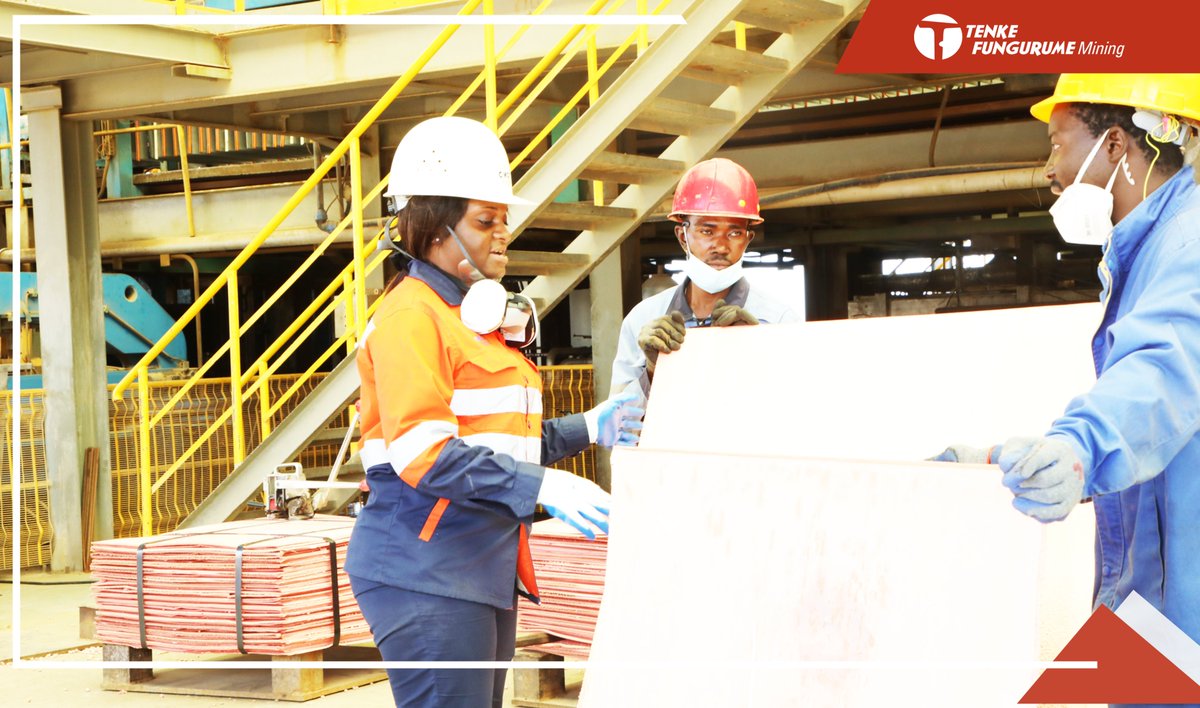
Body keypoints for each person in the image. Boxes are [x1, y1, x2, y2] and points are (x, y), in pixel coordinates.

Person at [344, 115, 644, 708]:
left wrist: (590, 427)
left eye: (505, 220)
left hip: (478, 564)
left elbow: (497, 439)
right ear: (431, 227)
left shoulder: (469, 321)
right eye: (485, 221)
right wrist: (543, 484)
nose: (500, 235)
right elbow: (424, 453)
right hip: (424, 569)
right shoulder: (413, 318)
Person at [934, 75, 1200, 649]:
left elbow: (1163, 370)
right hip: (1156, 598)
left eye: (1057, 142)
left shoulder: (1190, 241)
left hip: (1185, 618)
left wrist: (1081, 447)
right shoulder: (1146, 250)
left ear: (1113, 145)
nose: (1049, 170)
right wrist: (1011, 460)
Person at [610, 158, 800, 393]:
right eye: (707, 231)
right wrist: (651, 370)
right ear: (682, 236)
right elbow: (616, 420)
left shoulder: (778, 320)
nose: (720, 246)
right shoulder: (643, 319)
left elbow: (796, 407)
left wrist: (757, 353)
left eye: (734, 232)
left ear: (747, 240)